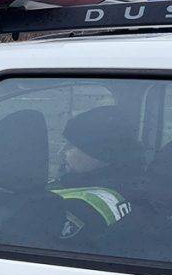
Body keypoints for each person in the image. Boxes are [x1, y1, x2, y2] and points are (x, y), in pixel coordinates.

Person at [51, 105, 144, 245]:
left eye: (70, 146)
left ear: (98, 153)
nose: (61, 152)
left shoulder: (83, 208)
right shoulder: (130, 183)